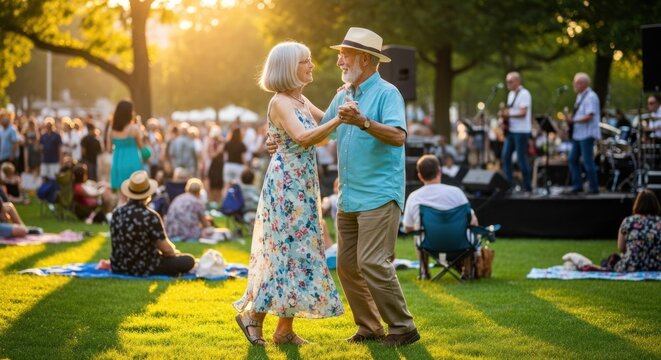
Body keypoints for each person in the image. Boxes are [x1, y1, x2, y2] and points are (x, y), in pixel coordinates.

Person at [234, 41, 344, 346]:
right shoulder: (281, 102)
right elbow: (304, 137)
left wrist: (341, 102)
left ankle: (284, 330)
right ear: (287, 68)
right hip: (286, 186)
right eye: (304, 61)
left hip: (303, 184)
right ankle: (253, 316)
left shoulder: (300, 100)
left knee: (301, 251)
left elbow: (329, 129)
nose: (311, 66)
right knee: (283, 252)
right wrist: (339, 117)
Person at [321, 27, 419, 346]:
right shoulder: (344, 93)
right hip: (348, 197)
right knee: (347, 266)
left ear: (365, 59)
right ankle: (369, 327)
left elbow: (398, 136)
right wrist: (285, 119)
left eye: (344, 54)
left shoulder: (388, 93)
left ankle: (403, 327)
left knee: (372, 262)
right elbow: (321, 130)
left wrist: (363, 122)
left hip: (379, 194)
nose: (339, 60)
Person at [402, 155, 479, 279]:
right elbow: (474, 222)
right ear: (440, 172)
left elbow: (407, 228)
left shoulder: (414, 197)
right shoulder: (457, 192)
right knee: (470, 231)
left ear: (420, 176)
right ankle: (467, 272)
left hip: (429, 245)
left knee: (419, 233)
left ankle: (425, 271)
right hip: (461, 244)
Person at [110, 170, 195, 276]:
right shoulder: (149, 216)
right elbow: (166, 249)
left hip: (118, 266)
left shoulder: (117, 212)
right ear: (148, 194)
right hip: (145, 267)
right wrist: (175, 255)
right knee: (189, 260)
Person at [609, 189, 661, 272]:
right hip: (657, 265)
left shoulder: (628, 221)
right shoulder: (659, 222)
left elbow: (621, 248)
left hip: (632, 265)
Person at [567, 72, 601, 194]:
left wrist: (573, 120)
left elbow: (589, 116)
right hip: (578, 134)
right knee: (572, 159)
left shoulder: (591, 96)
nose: (574, 85)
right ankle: (577, 185)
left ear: (584, 83)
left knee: (587, 161)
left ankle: (594, 187)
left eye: (576, 82)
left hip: (587, 134)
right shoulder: (580, 96)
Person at [499, 71, 532, 192]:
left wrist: (508, 115)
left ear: (518, 81)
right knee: (505, 156)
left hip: (522, 131)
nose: (508, 84)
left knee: (521, 158)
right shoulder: (510, 94)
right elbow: (511, 111)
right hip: (511, 131)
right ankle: (509, 184)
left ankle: (527, 186)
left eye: (511, 81)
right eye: (507, 81)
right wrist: (503, 120)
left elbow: (523, 113)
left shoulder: (524, 94)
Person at [109, 100, 144, 193]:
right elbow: (142, 147)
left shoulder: (111, 130)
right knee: (135, 193)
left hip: (118, 163)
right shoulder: (134, 129)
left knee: (122, 195)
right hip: (133, 162)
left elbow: (108, 149)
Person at [206, 125, 224, 204]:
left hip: (220, 166)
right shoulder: (211, 143)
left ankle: (218, 203)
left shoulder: (222, 142)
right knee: (212, 187)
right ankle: (212, 203)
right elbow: (212, 155)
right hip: (213, 167)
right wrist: (218, 150)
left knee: (219, 187)